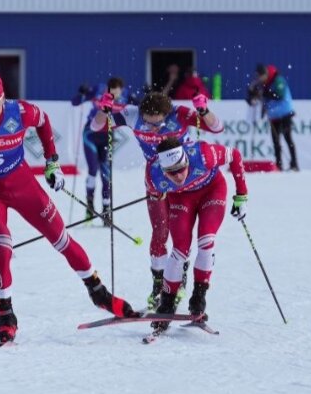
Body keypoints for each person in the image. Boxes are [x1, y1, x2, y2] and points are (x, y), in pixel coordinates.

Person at [0, 70, 138, 344]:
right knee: (2, 246)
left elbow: (43, 121)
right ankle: (6, 315)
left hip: (23, 185)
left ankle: (99, 292)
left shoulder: (19, 112)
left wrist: (52, 162)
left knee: (61, 239)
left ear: (3, 98)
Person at [90, 90, 223, 309]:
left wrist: (204, 111)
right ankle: (159, 285)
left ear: (167, 115)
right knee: (160, 232)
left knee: (182, 236)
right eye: (148, 123)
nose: (152, 128)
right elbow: (96, 126)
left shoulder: (179, 114)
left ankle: (180, 279)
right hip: (156, 181)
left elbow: (217, 127)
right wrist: (103, 111)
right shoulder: (132, 114)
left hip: (183, 182)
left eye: (158, 124)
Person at [145, 136, 248, 333]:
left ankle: (198, 299)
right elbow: (157, 195)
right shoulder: (153, 175)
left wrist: (241, 196)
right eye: (172, 172)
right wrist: (158, 195)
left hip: (212, 191)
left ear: (186, 159)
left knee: (206, 241)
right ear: (163, 170)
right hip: (181, 199)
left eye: (181, 168)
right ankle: (166, 305)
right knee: (180, 250)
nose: (178, 176)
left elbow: (234, 155)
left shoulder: (203, 154)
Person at [71, 77, 127, 223]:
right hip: (90, 135)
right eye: (112, 89)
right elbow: (75, 102)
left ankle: (106, 210)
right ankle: (89, 207)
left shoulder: (125, 98)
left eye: (117, 90)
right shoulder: (98, 90)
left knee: (106, 174)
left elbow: (141, 107)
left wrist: (146, 95)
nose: (115, 93)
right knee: (92, 170)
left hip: (107, 136)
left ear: (121, 90)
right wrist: (82, 93)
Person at [249, 64, 298, 171]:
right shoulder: (264, 84)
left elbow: (279, 94)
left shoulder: (278, 79)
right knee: (275, 141)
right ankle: (279, 165)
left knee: (287, 138)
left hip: (285, 114)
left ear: (265, 74)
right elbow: (263, 97)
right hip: (273, 116)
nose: (260, 79)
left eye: (261, 76)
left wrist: (265, 93)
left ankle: (294, 164)